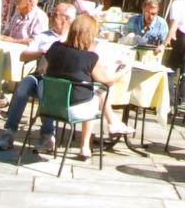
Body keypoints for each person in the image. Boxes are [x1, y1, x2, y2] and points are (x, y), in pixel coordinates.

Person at [40, 12, 128, 160]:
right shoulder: (90, 57)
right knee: (97, 94)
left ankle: (113, 123)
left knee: (92, 93)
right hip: (75, 111)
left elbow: (42, 68)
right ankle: (85, 146)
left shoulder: (55, 48)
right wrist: (123, 70)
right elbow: (108, 80)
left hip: (48, 105)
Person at [0, 0, 78, 151]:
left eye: (55, 15)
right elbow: (23, 56)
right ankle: (9, 131)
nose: (52, 17)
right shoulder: (43, 36)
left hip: (59, 80)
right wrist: (42, 53)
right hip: (40, 74)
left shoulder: (73, 39)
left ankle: (47, 135)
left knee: (44, 89)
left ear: (65, 19)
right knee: (24, 85)